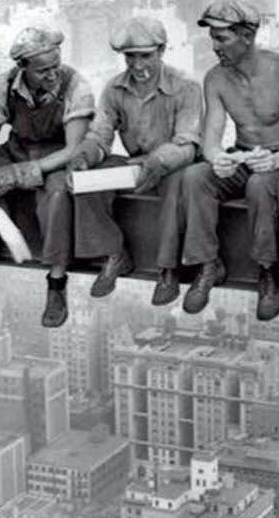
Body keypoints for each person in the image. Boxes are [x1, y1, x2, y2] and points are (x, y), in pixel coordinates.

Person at [0, 26, 95, 326]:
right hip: (17, 148)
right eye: (43, 71)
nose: (52, 75)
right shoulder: (5, 84)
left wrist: (19, 174)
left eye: (55, 66)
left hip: (55, 157)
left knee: (56, 196)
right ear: (23, 67)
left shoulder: (77, 86)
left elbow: (72, 148)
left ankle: (56, 281)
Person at [178, 0, 279, 319]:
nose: (214, 46)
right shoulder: (216, 79)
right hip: (244, 155)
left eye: (222, 38)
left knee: (261, 186)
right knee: (195, 177)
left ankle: (267, 273)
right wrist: (218, 158)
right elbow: (211, 139)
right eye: (213, 37)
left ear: (247, 37)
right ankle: (208, 265)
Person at [68, 17, 202, 305]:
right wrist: (84, 156)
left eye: (146, 56)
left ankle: (167, 269)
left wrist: (158, 161)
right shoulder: (115, 88)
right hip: (136, 164)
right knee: (88, 179)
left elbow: (187, 143)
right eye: (131, 57)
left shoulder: (186, 86)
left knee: (177, 185)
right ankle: (113, 253)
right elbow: (100, 135)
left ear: (162, 51)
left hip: (173, 162)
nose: (138, 65)